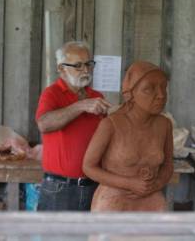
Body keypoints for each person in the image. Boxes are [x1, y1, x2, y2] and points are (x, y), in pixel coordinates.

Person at [83, 61, 174, 211]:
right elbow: (88, 167)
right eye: (149, 89)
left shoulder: (164, 125)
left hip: (151, 200)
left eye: (163, 87)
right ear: (130, 93)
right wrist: (129, 183)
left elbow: (168, 165)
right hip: (113, 200)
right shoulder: (110, 124)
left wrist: (155, 185)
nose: (161, 95)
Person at [35, 41, 111, 211]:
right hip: (60, 188)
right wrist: (81, 106)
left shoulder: (96, 96)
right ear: (61, 69)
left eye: (89, 64)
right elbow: (44, 124)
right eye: (78, 65)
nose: (86, 70)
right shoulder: (52, 93)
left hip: (93, 185)